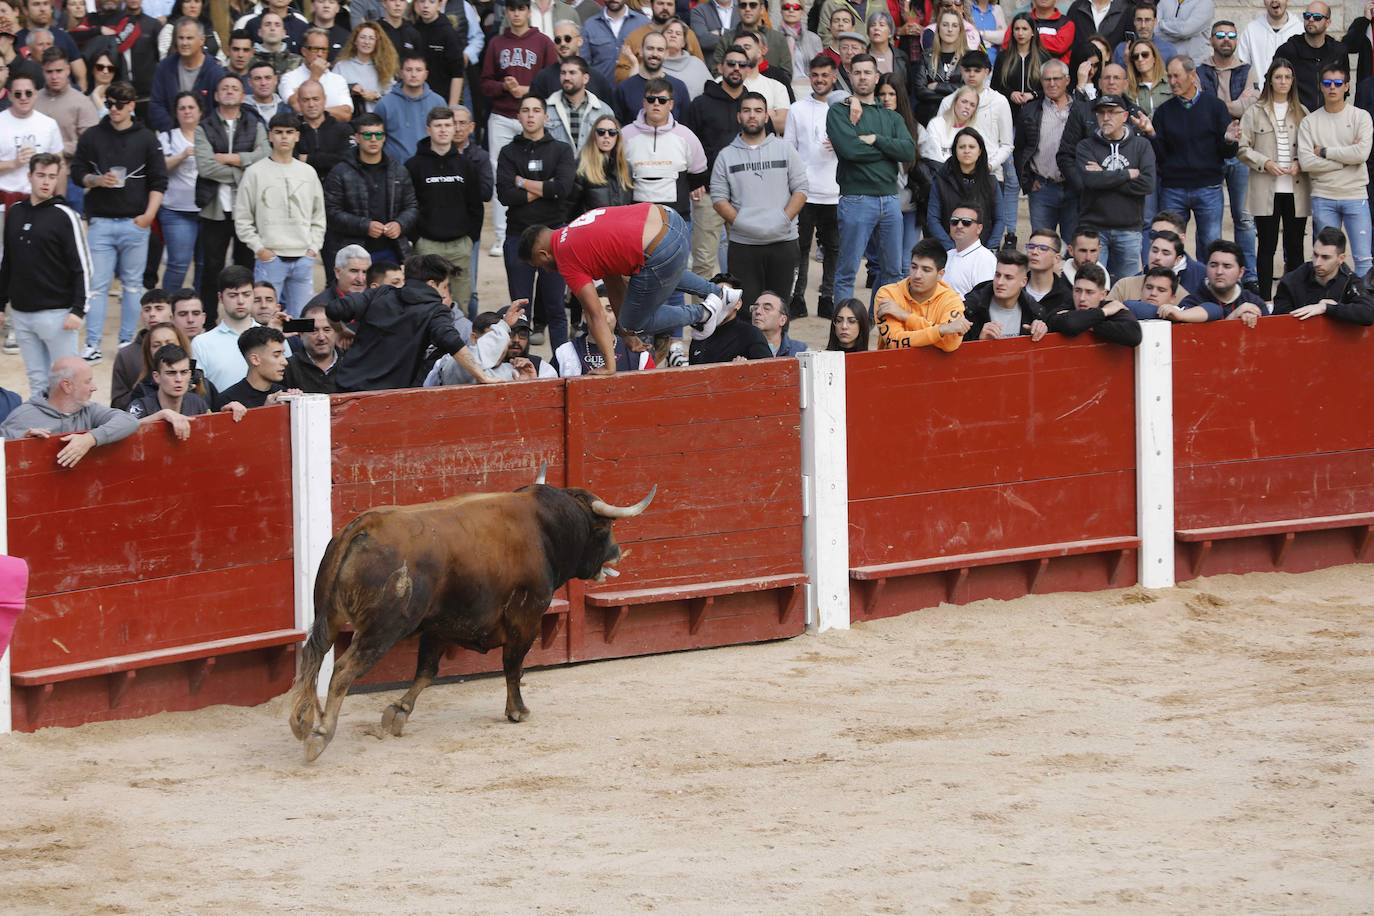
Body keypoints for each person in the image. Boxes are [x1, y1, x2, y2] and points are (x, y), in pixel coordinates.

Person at [519, 202, 744, 372]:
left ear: (543, 254)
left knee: (637, 319)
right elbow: (614, 282)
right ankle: (719, 293)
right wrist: (627, 335)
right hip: (673, 220)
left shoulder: (565, 256)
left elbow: (595, 313)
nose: (547, 271)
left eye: (540, 266)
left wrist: (609, 366)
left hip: (660, 249)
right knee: (654, 274)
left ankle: (703, 313)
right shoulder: (577, 227)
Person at [71, 80, 167, 357]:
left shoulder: (147, 138)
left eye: (120, 104)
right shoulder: (92, 136)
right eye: (110, 103)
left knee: (133, 285)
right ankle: (93, 344)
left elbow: (159, 181)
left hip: (134, 222)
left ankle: (127, 342)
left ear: (132, 106)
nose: (114, 109)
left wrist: (148, 216)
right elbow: (77, 172)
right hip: (101, 220)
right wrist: (97, 179)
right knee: (98, 287)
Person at [326, 253, 501, 390]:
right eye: (445, 286)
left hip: (345, 387)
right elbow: (451, 341)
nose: (445, 292)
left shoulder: (381, 293)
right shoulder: (436, 310)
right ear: (432, 284)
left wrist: (340, 330)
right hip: (386, 400)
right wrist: (482, 376)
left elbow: (333, 310)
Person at [829, 54, 916, 303]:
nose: (863, 77)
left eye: (868, 72)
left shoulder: (892, 117)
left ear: (877, 77)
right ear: (850, 75)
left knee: (893, 272)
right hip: (856, 199)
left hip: (890, 200)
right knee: (847, 272)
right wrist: (888, 151)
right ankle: (845, 334)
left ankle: (880, 327)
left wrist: (876, 139)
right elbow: (850, 150)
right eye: (857, 72)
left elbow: (909, 151)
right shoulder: (839, 112)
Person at [0, 152, 87, 396]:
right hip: (21, 313)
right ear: (29, 176)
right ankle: (43, 432)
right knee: (37, 381)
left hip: (58, 315)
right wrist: (0, 304)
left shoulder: (65, 215)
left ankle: (72, 432)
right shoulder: (15, 212)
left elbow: (81, 266)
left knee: (67, 383)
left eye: (51, 176)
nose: (46, 182)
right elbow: (8, 262)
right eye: (41, 175)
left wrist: (79, 309)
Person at [710, 91, 807, 308]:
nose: (752, 115)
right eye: (746, 111)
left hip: (783, 242)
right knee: (747, 311)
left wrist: (784, 218)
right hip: (743, 246)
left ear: (766, 117)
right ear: (739, 117)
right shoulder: (726, 155)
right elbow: (718, 197)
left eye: (758, 110)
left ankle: (779, 344)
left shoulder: (785, 149)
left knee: (780, 308)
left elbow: (801, 189)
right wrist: (742, 222)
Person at [480, 0, 558, 256]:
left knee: (539, 172)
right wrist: (504, 87)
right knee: (501, 174)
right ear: (507, 12)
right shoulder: (496, 43)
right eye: (512, 9)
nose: (516, 14)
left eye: (521, 9)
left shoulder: (543, 41)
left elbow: (553, 82)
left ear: (528, 11)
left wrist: (529, 91)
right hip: (502, 114)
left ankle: (540, 233)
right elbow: (485, 83)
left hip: (535, 115)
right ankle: (502, 236)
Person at [497, 94, 574, 348]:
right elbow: (506, 195)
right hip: (518, 236)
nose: (530, 115)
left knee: (555, 307)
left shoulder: (561, 150)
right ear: (518, 116)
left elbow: (562, 189)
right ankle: (521, 361)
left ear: (546, 116)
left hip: (554, 236)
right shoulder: (508, 152)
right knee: (520, 308)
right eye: (525, 110)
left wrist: (521, 182)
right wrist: (544, 189)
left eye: (536, 110)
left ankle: (564, 366)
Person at [234, 112, 326, 317]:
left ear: (297, 136)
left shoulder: (308, 172)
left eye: (289, 132)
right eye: (279, 132)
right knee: (264, 318)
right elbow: (242, 218)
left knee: (302, 320)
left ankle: (295, 351)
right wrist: (260, 249)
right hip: (270, 258)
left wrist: (312, 248)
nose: (284, 137)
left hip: (303, 256)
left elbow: (318, 216)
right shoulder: (255, 172)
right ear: (270, 136)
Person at [405, 105, 491, 315]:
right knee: (424, 302)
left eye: (447, 125)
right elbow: (408, 204)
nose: (443, 130)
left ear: (454, 129)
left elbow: (476, 206)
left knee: (461, 302)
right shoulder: (413, 165)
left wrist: (470, 238)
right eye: (438, 125)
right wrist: (416, 238)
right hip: (426, 245)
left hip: (460, 245)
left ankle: (460, 344)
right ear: (428, 129)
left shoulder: (466, 165)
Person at [194, 73, 267, 316]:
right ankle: (209, 319)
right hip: (214, 207)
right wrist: (245, 169)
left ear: (242, 95)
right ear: (216, 95)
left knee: (246, 266)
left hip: (247, 210)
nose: (229, 91)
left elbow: (264, 156)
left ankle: (244, 317)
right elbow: (206, 166)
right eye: (224, 88)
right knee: (211, 267)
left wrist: (234, 159)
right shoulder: (204, 127)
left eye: (234, 88)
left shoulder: (254, 124)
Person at [1239, 56, 1309, 301]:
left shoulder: (1303, 112)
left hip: (1296, 189)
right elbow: (1242, 148)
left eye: (1287, 77)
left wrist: (1301, 163)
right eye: (1278, 77)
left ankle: (1295, 298)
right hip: (1265, 188)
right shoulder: (1254, 112)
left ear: (1293, 81)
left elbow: (1309, 148)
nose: (1283, 82)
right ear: (1269, 80)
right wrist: (1265, 163)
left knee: (1295, 248)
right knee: (1266, 248)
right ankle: (1266, 299)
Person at [1297, 61, 1373, 276]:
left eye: (1338, 83)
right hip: (1324, 196)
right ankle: (1329, 304)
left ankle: (1365, 307)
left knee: (1363, 259)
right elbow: (1306, 163)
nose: (1332, 87)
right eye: (1327, 83)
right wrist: (1346, 159)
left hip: (1355, 195)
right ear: (1320, 86)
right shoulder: (1309, 122)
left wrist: (1324, 152)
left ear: (1347, 86)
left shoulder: (1361, 117)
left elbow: (1361, 154)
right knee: (1325, 260)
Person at [1199, 22, 1259, 288]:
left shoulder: (1247, 70)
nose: (1226, 40)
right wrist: (1233, 107)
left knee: (1244, 219)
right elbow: (1202, 107)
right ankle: (1209, 277)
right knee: (1210, 225)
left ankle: (1250, 277)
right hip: (1209, 153)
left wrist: (1217, 107)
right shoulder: (1200, 71)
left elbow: (1251, 103)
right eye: (1220, 35)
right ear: (1211, 40)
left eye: (1231, 36)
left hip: (1241, 153)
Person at [785, 54, 845, 319]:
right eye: (815, 75)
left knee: (833, 249)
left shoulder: (844, 107)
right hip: (805, 192)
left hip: (835, 192)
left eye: (825, 75)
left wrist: (842, 143)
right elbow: (789, 150)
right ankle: (797, 298)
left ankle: (827, 297)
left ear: (834, 76)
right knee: (801, 248)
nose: (820, 80)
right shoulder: (797, 109)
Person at [934, 50, 1016, 244]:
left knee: (985, 231)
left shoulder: (999, 102)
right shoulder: (949, 101)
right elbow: (938, 138)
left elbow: (1007, 144)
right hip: (954, 179)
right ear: (961, 71)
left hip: (990, 176)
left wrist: (988, 165)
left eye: (977, 70)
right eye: (967, 69)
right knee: (955, 231)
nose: (971, 74)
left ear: (987, 71)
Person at [684, 43, 748, 282]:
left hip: (745, 195)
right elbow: (688, 144)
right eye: (731, 64)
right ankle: (700, 318)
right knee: (703, 262)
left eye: (742, 65)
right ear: (721, 67)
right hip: (709, 193)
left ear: (748, 69)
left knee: (743, 261)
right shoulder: (700, 104)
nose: (736, 69)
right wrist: (694, 181)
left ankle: (739, 314)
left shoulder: (752, 105)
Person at [0, 356, 139, 464]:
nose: (94, 387)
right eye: (87, 381)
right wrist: (21, 441)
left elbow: (129, 421)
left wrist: (90, 439)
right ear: (67, 386)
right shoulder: (23, 416)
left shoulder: (89, 410)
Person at [1075, 93, 1155, 280]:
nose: (1106, 117)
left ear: (1125, 116)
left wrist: (1103, 173)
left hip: (1129, 229)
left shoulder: (1141, 146)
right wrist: (1127, 174)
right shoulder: (1085, 146)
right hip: (1094, 230)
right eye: (1101, 113)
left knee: (1127, 289)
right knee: (1092, 285)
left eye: (1111, 112)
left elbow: (1147, 184)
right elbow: (1090, 181)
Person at [323, 112, 418, 266]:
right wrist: (365, 226)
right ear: (357, 138)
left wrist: (400, 224)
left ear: (384, 137)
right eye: (367, 135)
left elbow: (411, 206)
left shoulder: (398, 170)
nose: (373, 140)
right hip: (353, 253)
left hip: (392, 250)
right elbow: (331, 212)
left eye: (378, 135)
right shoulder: (340, 172)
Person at [1015, 59, 1077, 239]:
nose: (1051, 83)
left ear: (1067, 80)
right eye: (1046, 79)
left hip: (1073, 188)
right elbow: (1020, 149)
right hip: (1042, 188)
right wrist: (1027, 181)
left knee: (1072, 247)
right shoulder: (1029, 111)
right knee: (1041, 244)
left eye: (1056, 78)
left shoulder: (1080, 109)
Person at [873, 238, 969, 350]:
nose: (917, 275)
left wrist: (906, 316)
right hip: (893, 366)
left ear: (940, 274)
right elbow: (895, 342)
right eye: (914, 267)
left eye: (926, 270)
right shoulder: (887, 294)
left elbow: (950, 344)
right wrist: (941, 330)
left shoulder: (952, 301)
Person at [34, 49, 99, 208]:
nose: (54, 76)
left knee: (71, 226)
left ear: (68, 70)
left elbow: (91, 142)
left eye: (59, 71)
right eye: (49, 72)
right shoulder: (33, 99)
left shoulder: (82, 102)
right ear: (42, 71)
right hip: (36, 176)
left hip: (71, 177)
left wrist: (59, 149)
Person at [1272, 225, 1374, 323]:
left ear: (1341, 258)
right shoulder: (1292, 280)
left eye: (1325, 257)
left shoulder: (1350, 280)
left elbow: (1368, 313)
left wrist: (1327, 308)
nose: (1317, 263)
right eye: (1315, 255)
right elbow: (1279, 320)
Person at [156, 91, 203, 292]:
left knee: (205, 265)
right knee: (178, 264)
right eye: (182, 108)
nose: (187, 112)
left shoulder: (210, 135)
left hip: (208, 210)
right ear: (176, 113)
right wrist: (183, 155)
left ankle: (201, 312)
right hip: (176, 210)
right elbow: (160, 166)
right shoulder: (167, 136)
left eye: (191, 107)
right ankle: (167, 309)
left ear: (200, 111)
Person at [927, 127, 999, 250]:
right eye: (962, 147)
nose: (967, 151)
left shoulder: (991, 182)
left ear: (980, 151)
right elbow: (933, 219)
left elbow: (1000, 219)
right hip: (947, 251)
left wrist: (989, 248)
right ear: (955, 150)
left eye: (972, 147)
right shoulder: (940, 180)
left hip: (982, 250)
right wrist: (951, 248)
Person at [148, 17, 226, 130]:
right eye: (181, 38)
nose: (184, 43)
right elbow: (156, 104)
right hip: (172, 135)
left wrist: (202, 134)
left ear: (202, 40)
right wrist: (173, 132)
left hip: (206, 137)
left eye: (189, 38)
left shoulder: (215, 72)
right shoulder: (164, 67)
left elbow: (220, 109)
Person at [0, 72, 62, 209]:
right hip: (4, 198)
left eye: (28, 93)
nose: (23, 98)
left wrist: (60, 200)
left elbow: (59, 165)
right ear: (9, 96)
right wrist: (13, 163)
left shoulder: (49, 124)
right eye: (17, 94)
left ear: (36, 94)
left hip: (40, 200)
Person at [1042, 261, 1142, 345]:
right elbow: (1069, 323)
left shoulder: (1113, 307)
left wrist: (1087, 323)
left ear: (1103, 295)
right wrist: (1103, 312)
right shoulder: (1067, 304)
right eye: (1078, 290)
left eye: (1089, 292)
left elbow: (1134, 335)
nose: (1082, 298)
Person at [127, 343, 224, 428]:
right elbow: (123, 431)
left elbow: (213, 433)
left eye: (184, 372)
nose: (179, 379)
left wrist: (227, 413)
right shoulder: (141, 406)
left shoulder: (197, 403)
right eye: (171, 373)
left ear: (190, 374)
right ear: (157, 377)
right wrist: (160, 415)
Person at [962, 248, 1049, 341]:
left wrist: (1041, 330)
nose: (1000, 282)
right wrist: (979, 341)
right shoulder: (970, 308)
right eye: (997, 275)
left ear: (1023, 282)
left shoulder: (1034, 312)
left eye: (1008, 277)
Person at [192, 265, 257, 389]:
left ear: (254, 295)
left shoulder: (271, 337)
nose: (240, 301)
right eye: (233, 295)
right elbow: (199, 391)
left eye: (246, 294)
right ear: (220, 298)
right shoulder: (202, 343)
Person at [1274, 1, 1345, 112]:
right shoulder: (1288, 50)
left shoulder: (1338, 51)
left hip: (1330, 117)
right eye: (1307, 16)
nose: (1311, 20)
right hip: (1296, 118)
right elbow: (1271, 84)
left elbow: (1344, 87)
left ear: (1328, 22)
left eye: (1317, 17)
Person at [375, 53, 447, 162]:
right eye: (408, 70)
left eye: (418, 70)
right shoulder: (385, 103)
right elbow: (376, 137)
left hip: (430, 167)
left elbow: (445, 136)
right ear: (400, 73)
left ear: (426, 74)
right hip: (396, 169)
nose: (413, 74)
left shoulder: (438, 102)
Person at [552, 297, 654, 375]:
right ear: (584, 316)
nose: (603, 316)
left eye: (609, 310)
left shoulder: (638, 354)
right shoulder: (564, 352)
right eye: (596, 310)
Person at [1175, 238, 1267, 323]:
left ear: (1241, 272)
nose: (1219, 272)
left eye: (1227, 266)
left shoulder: (1254, 303)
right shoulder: (1192, 304)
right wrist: (1233, 318)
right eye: (1213, 265)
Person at [109, 290, 171, 409]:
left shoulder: (183, 347)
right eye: (147, 309)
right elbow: (117, 403)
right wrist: (143, 388)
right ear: (141, 315)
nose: (152, 314)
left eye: (159, 308)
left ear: (171, 313)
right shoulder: (126, 355)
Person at [613, 30, 689, 125]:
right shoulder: (624, 88)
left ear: (666, 54)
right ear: (641, 51)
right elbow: (617, 127)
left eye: (660, 50)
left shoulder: (679, 87)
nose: (654, 54)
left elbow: (686, 126)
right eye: (650, 48)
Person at [529, 21, 614, 104]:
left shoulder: (598, 78)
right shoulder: (543, 78)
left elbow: (608, 114)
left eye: (567, 39)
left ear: (580, 41)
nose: (562, 43)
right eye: (558, 40)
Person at [277, 28, 352, 121]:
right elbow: (297, 108)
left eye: (324, 49)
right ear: (304, 51)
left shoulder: (338, 80)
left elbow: (346, 115)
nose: (320, 54)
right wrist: (314, 76)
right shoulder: (289, 78)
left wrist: (314, 111)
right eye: (315, 49)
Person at [545, 54, 614, 152]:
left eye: (572, 73)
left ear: (585, 78)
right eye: (563, 73)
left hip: (592, 166)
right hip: (556, 166)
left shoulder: (603, 110)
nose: (566, 77)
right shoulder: (546, 108)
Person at [214, 324, 293, 407]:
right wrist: (265, 411)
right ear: (255, 359)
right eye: (276, 355)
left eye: (283, 354)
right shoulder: (228, 400)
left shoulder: (284, 394)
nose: (285, 362)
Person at [292, 79, 351, 184]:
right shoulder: (292, 130)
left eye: (315, 99)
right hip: (302, 187)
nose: (311, 104)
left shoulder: (343, 129)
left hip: (337, 190)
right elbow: (290, 160)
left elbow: (347, 160)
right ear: (299, 102)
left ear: (324, 99)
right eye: (306, 100)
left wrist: (308, 159)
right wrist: (329, 159)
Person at [332, 21, 399, 114]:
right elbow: (332, 91)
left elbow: (393, 98)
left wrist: (376, 97)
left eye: (371, 38)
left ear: (376, 43)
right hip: (350, 120)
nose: (366, 42)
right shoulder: (341, 66)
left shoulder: (384, 67)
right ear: (355, 41)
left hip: (377, 120)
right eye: (362, 37)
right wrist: (350, 88)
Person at [1110, 228, 1193, 302]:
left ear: (1177, 260)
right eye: (1154, 251)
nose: (1157, 257)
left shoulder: (1183, 297)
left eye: (1165, 253)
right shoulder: (1124, 286)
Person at [994, 12, 1048, 123]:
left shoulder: (1044, 57)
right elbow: (995, 86)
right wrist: (1011, 94)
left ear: (1033, 32)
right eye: (1017, 29)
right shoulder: (1003, 57)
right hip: (1008, 115)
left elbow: (1050, 88)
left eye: (1024, 29)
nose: (1020, 33)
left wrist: (1033, 95)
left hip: (1036, 116)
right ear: (1012, 32)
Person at [412, 0, 467, 106]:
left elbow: (457, 74)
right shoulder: (413, 30)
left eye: (431, 2)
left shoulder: (448, 33)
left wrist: (452, 107)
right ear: (416, 4)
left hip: (442, 99)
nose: (426, 6)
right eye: (422, 1)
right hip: (416, 98)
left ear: (439, 5)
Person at [1237, 0, 1302, 88]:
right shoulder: (1251, 30)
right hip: (1259, 97)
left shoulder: (1300, 30)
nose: (1274, 0)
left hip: (1292, 97)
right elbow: (1243, 67)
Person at [584, 0, 648, 84]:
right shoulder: (590, 25)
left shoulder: (644, 23)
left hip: (635, 89)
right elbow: (583, 64)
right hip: (600, 91)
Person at [281, 302, 340, 392]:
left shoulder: (350, 364)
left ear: (336, 332)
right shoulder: (287, 368)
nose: (321, 337)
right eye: (314, 331)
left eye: (327, 330)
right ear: (301, 334)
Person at [941, 203, 997, 296]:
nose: (959, 226)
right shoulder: (947, 255)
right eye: (954, 221)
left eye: (966, 222)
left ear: (979, 228)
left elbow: (983, 300)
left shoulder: (985, 260)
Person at [306, 244, 371, 316]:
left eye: (365, 272)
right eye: (354, 271)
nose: (360, 279)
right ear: (338, 272)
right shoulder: (318, 307)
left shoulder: (378, 302)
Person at [1024, 226, 1075, 311]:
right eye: (1031, 246)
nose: (1034, 252)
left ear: (1057, 258)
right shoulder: (1015, 288)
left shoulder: (1067, 297)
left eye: (1043, 248)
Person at [1113, 4, 1177, 67]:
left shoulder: (1168, 49)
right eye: (1139, 20)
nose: (1143, 25)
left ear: (1155, 22)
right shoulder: (1121, 49)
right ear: (1134, 21)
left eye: (1147, 20)